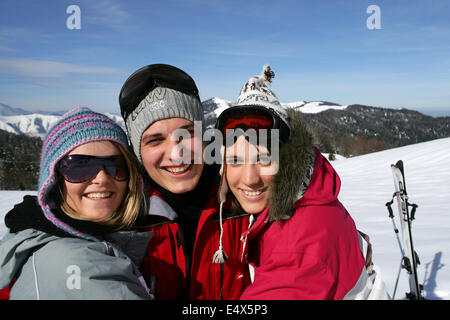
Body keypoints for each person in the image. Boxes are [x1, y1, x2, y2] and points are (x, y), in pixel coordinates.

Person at [215, 66, 389, 299]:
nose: (249, 179)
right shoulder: (313, 191)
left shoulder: (296, 251)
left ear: (289, 159)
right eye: (235, 161)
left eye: (265, 159)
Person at [118, 64, 252, 299]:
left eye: (187, 133)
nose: (177, 153)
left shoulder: (243, 197)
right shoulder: (120, 217)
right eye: (155, 140)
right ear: (137, 152)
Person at [0, 107, 153, 300]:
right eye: (80, 166)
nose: (102, 178)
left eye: (116, 165)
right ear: (53, 181)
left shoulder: (41, 238)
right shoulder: (77, 265)